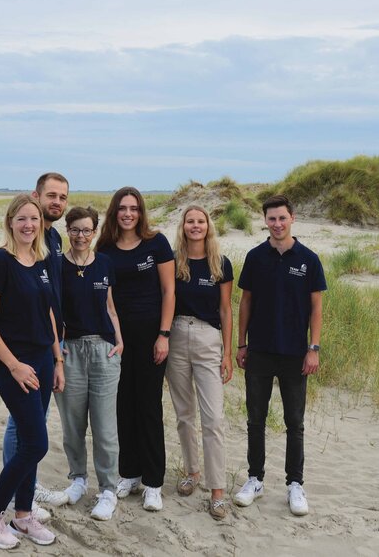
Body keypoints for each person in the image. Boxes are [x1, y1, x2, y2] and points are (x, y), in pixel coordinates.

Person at [0, 194, 65, 549]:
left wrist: (57, 360)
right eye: (22, 218)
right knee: (36, 443)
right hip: (12, 364)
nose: (28, 225)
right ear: (10, 221)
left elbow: (49, 313)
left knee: (30, 440)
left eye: (34, 219)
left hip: (42, 359)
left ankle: (23, 516)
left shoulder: (40, 260)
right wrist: (13, 365)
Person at [234, 194, 326, 516]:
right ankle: (255, 479)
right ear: (265, 221)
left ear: (292, 218)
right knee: (255, 420)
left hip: (295, 354)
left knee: (294, 423)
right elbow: (245, 302)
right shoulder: (255, 257)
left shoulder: (309, 259)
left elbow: (316, 307)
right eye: (271, 219)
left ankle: (295, 484)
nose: (277, 224)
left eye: (282, 218)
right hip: (259, 350)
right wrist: (241, 344)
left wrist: (313, 348)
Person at [96, 186, 175, 512]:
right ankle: (129, 472)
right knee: (122, 405)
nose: (128, 214)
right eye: (122, 208)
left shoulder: (156, 243)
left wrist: (164, 335)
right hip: (116, 339)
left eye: (134, 208)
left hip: (151, 338)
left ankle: (153, 482)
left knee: (148, 406)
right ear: (114, 212)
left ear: (141, 212)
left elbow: (169, 291)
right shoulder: (104, 247)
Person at [2, 172, 71, 516]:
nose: (57, 202)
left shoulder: (53, 238)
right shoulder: (24, 237)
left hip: (49, 340)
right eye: (51, 196)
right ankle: (18, 492)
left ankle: (27, 485)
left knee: (35, 418)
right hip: (27, 343)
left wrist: (58, 348)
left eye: (62, 197)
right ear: (36, 195)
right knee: (22, 420)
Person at [55, 206, 124, 520]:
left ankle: (108, 489)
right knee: (73, 426)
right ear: (67, 231)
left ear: (95, 232)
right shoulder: (57, 265)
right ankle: (78, 480)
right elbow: (51, 311)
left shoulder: (105, 263)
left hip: (103, 351)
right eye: (75, 230)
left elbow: (110, 306)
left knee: (105, 428)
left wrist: (118, 341)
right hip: (69, 351)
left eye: (86, 230)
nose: (80, 236)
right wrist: (57, 350)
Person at [166, 205, 233, 520]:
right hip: (177, 334)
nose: (195, 226)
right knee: (184, 414)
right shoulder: (173, 262)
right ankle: (192, 471)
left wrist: (227, 353)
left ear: (208, 226)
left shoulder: (220, 263)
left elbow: (226, 310)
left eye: (200, 221)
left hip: (208, 338)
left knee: (213, 418)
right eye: (190, 221)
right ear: (183, 226)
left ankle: (217, 490)